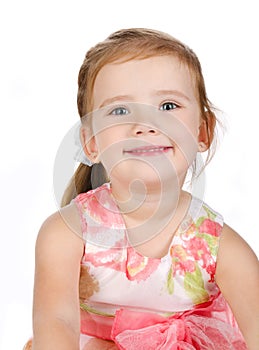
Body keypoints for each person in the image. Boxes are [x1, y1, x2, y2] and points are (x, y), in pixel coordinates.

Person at [24, 28, 259, 350]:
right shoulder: (66, 233)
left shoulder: (223, 249)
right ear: (91, 143)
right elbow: (57, 322)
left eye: (168, 106)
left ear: (202, 131)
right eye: (120, 110)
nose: (146, 125)